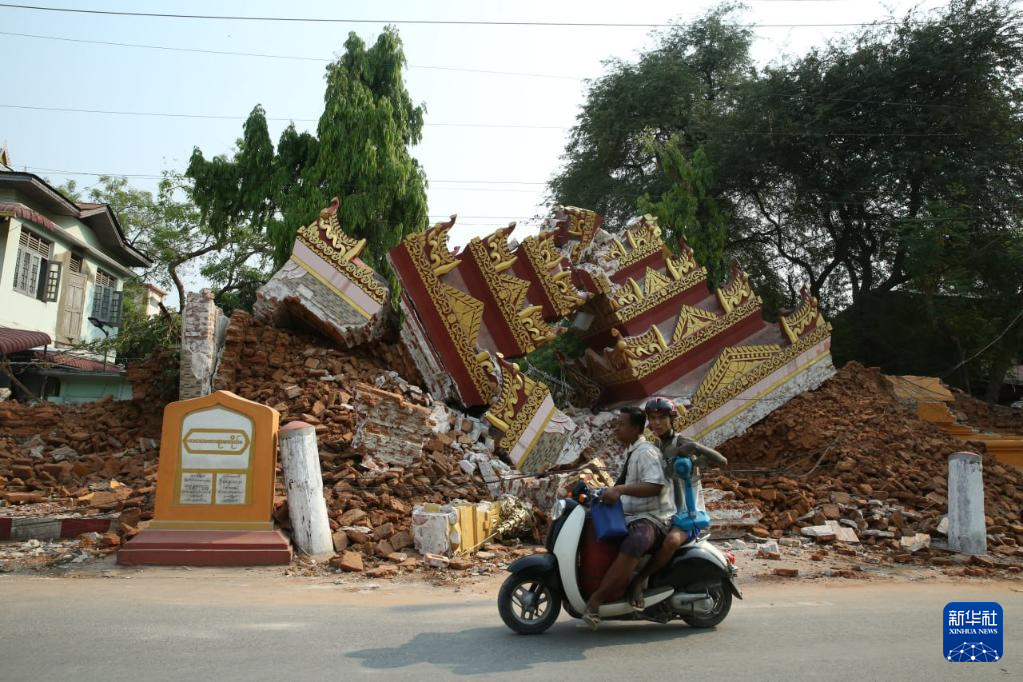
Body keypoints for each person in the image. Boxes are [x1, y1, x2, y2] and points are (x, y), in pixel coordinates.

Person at [628, 396, 728, 609]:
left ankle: (639, 581)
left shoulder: (681, 442)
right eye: (653, 418)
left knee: (671, 541)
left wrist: (695, 447)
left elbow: (722, 460)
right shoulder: (654, 447)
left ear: (672, 419)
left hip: (686, 513)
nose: (656, 423)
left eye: (662, 418)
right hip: (663, 510)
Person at [583, 406, 675, 629]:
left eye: (621, 425)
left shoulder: (646, 452)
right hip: (633, 514)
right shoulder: (632, 451)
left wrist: (620, 490)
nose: (617, 429)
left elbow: (654, 486)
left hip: (654, 517)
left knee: (636, 541)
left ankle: (597, 600)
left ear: (635, 429)